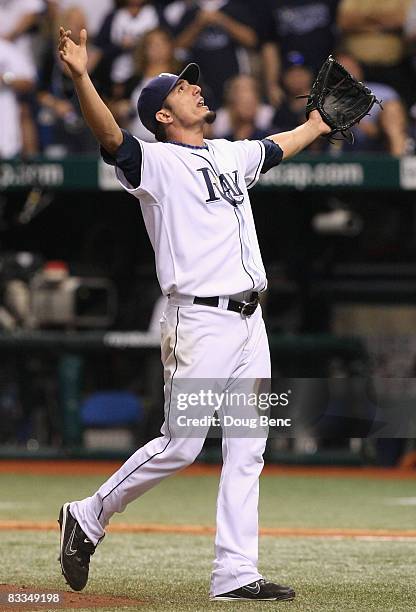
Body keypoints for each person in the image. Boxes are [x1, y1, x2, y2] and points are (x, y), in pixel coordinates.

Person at [57, 25, 331, 601]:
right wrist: (83, 77)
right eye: (183, 88)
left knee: (249, 446)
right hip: (200, 322)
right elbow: (111, 138)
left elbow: (277, 147)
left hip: (251, 323)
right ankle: (88, 513)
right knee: (182, 444)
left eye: (193, 84)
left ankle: (236, 573)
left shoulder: (229, 153)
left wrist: (317, 124)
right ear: (161, 114)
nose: (196, 90)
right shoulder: (153, 165)